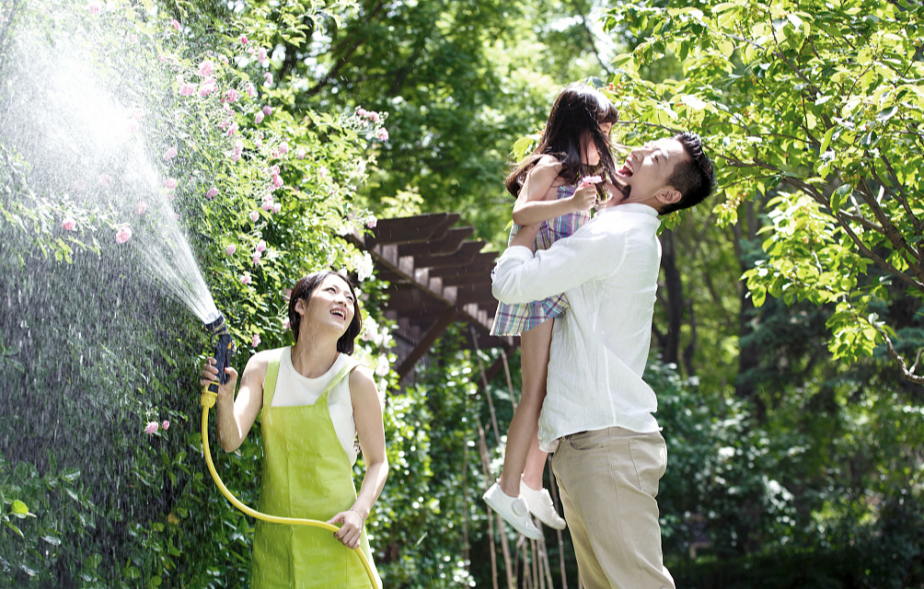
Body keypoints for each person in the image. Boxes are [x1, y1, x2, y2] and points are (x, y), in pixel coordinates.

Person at [492, 131, 715, 588]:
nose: (634, 152)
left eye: (654, 157)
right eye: (646, 145)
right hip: (586, 446)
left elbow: (510, 284)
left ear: (668, 195)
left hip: (606, 446)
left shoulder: (618, 233)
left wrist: (526, 223)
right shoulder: (619, 229)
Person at [483, 83, 622, 540]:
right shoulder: (550, 166)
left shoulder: (587, 172)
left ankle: (531, 480)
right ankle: (507, 488)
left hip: (563, 294)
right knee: (534, 390)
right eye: (599, 128)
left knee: (554, 387)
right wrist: (571, 202)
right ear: (576, 126)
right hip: (540, 289)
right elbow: (522, 215)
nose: (604, 137)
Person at [200, 271, 388, 589]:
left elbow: (378, 463)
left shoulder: (356, 380)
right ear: (300, 305)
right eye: (332, 291)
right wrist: (224, 397)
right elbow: (230, 440)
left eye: (349, 298)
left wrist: (359, 513)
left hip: (338, 546)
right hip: (276, 551)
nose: (344, 300)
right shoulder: (263, 367)